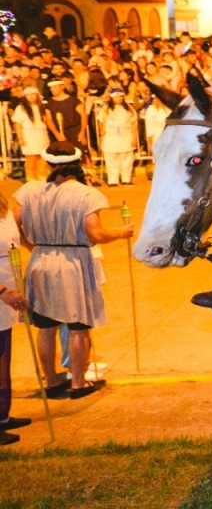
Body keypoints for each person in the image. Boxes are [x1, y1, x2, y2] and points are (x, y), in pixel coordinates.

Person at [13, 141, 132, 399]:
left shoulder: (28, 190)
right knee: (79, 326)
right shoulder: (86, 193)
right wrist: (121, 233)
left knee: (46, 326)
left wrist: (30, 244)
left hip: (41, 259)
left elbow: (12, 227)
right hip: (73, 262)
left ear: (47, 163)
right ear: (77, 164)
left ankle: (52, 380)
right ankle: (78, 382)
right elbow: (96, 233)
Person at [0, 192, 30, 446]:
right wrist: (4, 293)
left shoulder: (6, 211)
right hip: (2, 294)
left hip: (8, 293)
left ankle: (2, 416)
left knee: (3, 356)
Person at [97, 87, 137, 186]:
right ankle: (113, 180)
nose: (118, 99)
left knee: (127, 158)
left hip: (126, 136)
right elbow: (100, 121)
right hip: (111, 137)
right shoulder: (106, 109)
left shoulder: (129, 108)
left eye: (120, 97)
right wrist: (101, 131)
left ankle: (126, 179)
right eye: (116, 97)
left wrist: (135, 138)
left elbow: (133, 124)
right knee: (111, 159)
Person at [11, 86, 50, 181]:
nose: (31, 96)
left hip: (41, 134)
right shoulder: (21, 108)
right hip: (28, 135)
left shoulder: (42, 107)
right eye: (28, 95)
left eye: (33, 94)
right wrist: (20, 138)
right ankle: (31, 178)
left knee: (42, 156)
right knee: (31, 157)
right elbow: (18, 124)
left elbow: (47, 122)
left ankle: (42, 176)